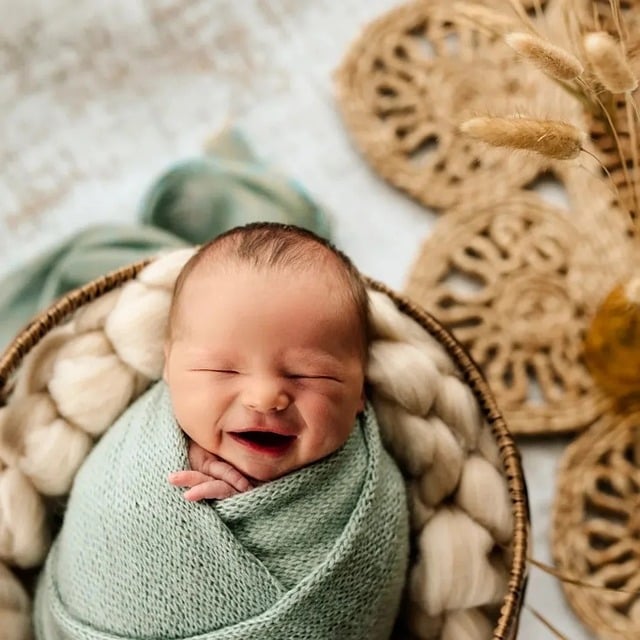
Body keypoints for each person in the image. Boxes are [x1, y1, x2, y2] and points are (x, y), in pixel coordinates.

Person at [34, 223, 409, 640]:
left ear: (361, 392)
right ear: (169, 368)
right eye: (223, 369)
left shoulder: (373, 493)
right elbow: (101, 519)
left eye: (309, 373)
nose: (265, 397)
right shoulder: (138, 451)